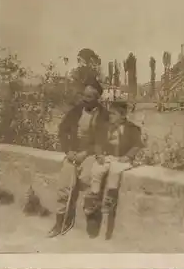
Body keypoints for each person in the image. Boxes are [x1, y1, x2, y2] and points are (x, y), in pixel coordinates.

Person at [47, 78, 110, 238]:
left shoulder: (103, 115)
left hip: (89, 154)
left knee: (88, 180)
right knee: (63, 186)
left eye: (89, 97)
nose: (84, 99)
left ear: (97, 99)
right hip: (73, 152)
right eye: (84, 95)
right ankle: (60, 222)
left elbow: (102, 140)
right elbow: (62, 130)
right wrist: (68, 151)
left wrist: (86, 153)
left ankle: (91, 218)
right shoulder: (76, 110)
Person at [92, 101, 144, 222]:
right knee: (97, 168)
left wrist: (128, 156)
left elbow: (137, 145)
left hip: (122, 159)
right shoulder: (106, 127)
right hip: (109, 157)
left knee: (115, 171)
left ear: (122, 116)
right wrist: (99, 155)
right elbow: (98, 142)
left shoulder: (132, 128)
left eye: (113, 114)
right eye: (110, 114)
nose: (110, 116)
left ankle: (110, 198)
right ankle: (94, 195)